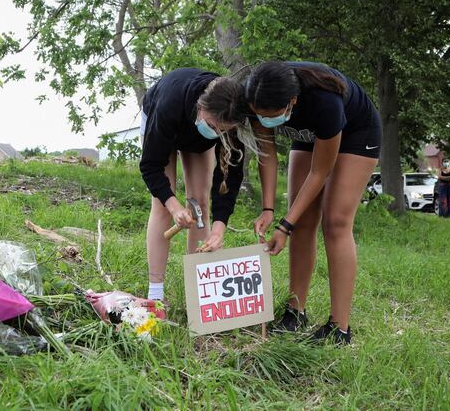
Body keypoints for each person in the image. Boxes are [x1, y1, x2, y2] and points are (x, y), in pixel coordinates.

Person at [240, 60, 382, 345]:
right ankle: (296, 310)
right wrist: (269, 209)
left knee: (336, 222)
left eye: (272, 116)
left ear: (292, 101)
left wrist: (285, 224)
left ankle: (339, 328)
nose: (266, 121)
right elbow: (267, 154)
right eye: (260, 116)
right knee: (303, 221)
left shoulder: (324, 101)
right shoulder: (255, 96)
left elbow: (320, 173)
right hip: (308, 134)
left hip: (356, 133)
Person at [139, 68, 258, 312]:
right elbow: (151, 166)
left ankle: (200, 292)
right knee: (162, 205)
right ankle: (155, 295)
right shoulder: (169, 104)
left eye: (223, 131)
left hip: (196, 136)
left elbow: (230, 175)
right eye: (214, 127)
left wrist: (219, 227)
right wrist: (173, 206)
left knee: (199, 204)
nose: (218, 133)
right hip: (163, 121)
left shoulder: (231, 118)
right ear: (201, 106)